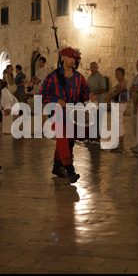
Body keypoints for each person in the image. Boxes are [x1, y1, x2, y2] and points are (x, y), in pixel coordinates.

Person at [40, 47, 97, 183]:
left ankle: (57, 166)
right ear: (63, 58)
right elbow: (43, 94)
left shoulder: (79, 77)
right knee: (63, 138)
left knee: (68, 140)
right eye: (70, 57)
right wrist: (57, 100)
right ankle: (70, 169)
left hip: (72, 112)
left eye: (74, 58)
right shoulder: (53, 76)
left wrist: (90, 94)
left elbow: (85, 91)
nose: (73, 60)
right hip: (56, 112)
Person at [107, 68, 128, 153]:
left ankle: (119, 144)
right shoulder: (120, 82)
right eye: (116, 73)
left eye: (118, 74)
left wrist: (110, 97)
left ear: (123, 75)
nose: (117, 75)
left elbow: (117, 92)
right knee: (118, 123)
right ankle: (120, 143)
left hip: (120, 105)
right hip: (117, 104)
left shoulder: (123, 82)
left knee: (118, 124)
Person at [86, 62, 107, 145]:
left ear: (97, 68)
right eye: (91, 67)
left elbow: (104, 89)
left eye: (94, 67)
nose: (92, 69)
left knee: (98, 120)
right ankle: (91, 137)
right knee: (92, 120)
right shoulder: (89, 78)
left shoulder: (101, 78)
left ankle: (97, 138)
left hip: (100, 102)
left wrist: (93, 92)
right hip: (92, 103)